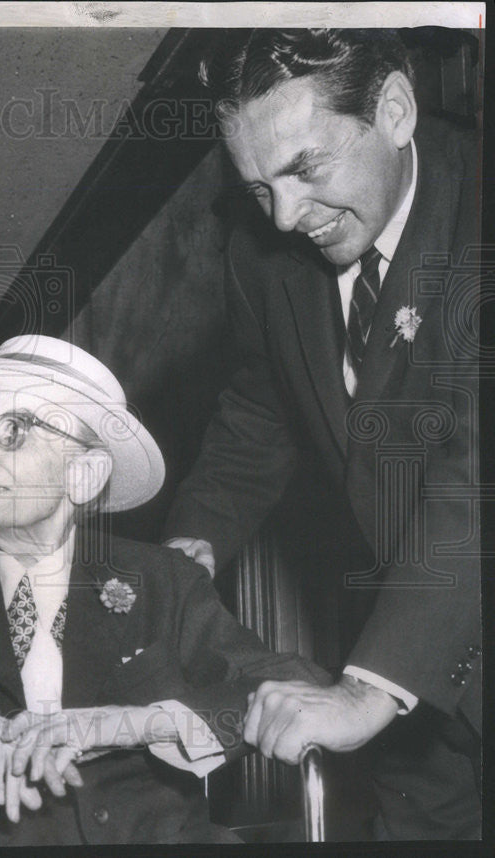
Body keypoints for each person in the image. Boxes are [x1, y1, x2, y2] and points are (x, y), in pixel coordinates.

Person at [161, 29, 480, 839]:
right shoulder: (263, 256)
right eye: (259, 187)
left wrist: (370, 687)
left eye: (304, 169)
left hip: (405, 659)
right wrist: (192, 544)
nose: (286, 216)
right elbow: (260, 415)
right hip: (423, 690)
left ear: (396, 110)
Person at [0, 335, 328, 848]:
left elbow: (293, 683)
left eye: (14, 431)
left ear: (84, 475)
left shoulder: (161, 580)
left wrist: (130, 725)